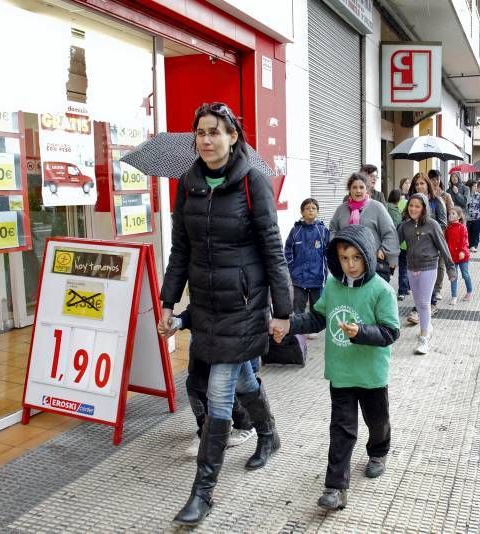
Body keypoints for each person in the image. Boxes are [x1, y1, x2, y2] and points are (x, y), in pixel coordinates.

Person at [158, 102, 292, 526]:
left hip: (245, 306)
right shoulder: (188, 183)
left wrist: (283, 311)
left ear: (233, 136)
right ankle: (269, 434)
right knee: (244, 378)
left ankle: (203, 492)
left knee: (219, 391)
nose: (206, 139)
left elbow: (273, 249)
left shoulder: (253, 181)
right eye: (200, 132)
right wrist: (168, 301)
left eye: (215, 131)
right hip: (207, 305)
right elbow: (182, 250)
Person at [273, 225, 400, 511]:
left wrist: (361, 333)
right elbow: (317, 318)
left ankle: (378, 452)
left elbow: (391, 332)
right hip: (341, 374)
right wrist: (290, 324)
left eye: (356, 257)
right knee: (341, 430)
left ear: (367, 256)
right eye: (344, 258)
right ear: (336, 258)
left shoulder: (381, 290)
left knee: (376, 422)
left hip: (371, 376)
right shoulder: (332, 286)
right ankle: (335, 487)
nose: (350, 265)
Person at [166, 308, 259, 456]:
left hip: (234, 333)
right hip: (204, 332)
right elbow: (196, 305)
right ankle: (208, 428)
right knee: (196, 382)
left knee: (230, 384)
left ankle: (244, 424)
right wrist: (178, 320)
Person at [398, 193, 456, 355]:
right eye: (411, 205)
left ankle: (424, 339)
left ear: (424, 208)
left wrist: (451, 268)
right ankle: (428, 325)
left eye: (417, 206)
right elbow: (393, 241)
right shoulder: (405, 226)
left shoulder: (433, 225)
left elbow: (443, 246)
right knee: (418, 302)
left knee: (423, 303)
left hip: (429, 267)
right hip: (411, 267)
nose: (413, 209)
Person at [330, 173, 399, 282]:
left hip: (373, 262)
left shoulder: (377, 207)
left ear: (367, 189)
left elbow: (390, 232)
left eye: (361, 187)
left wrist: (384, 249)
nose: (358, 191)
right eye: (354, 187)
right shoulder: (341, 209)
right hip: (349, 264)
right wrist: (336, 245)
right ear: (349, 190)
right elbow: (333, 228)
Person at [406, 173, 447, 323]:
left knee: (435, 271)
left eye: (422, 183)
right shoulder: (411, 202)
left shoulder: (437, 201)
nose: (419, 187)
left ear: (428, 185)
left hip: (433, 243)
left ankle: (430, 303)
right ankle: (421, 308)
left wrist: (428, 228)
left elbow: (443, 223)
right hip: (415, 247)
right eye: (416, 184)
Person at [285, 197, 330, 323]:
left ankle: (314, 326)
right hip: (299, 278)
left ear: (318, 212)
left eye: (314, 208)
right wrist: (291, 267)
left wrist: (327, 269)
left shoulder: (322, 231)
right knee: (298, 305)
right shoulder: (295, 230)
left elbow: (329, 251)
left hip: (317, 277)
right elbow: (288, 249)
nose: (310, 210)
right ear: (302, 212)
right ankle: (298, 328)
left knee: (317, 305)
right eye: (307, 208)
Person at [445, 207, 473, 305]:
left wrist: (462, 251)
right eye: (449, 214)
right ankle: (454, 296)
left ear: (459, 216)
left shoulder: (462, 227)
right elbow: (445, 241)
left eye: (453, 213)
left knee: (465, 275)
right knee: (453, 276)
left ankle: (469, 291)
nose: (450, 215)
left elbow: (465, 241)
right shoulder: (448, 229)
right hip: (452, 257)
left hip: (463, 257)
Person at [466, 180, 480, 253]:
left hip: (477, 217)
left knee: (475, 232)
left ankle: (473, 246)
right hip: (467, 218)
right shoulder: (466, 194)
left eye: (476, 186)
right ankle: (467, 246)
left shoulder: (479, 195)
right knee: (468, 233)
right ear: (470, 186)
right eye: (474, 186)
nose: (476, 187)